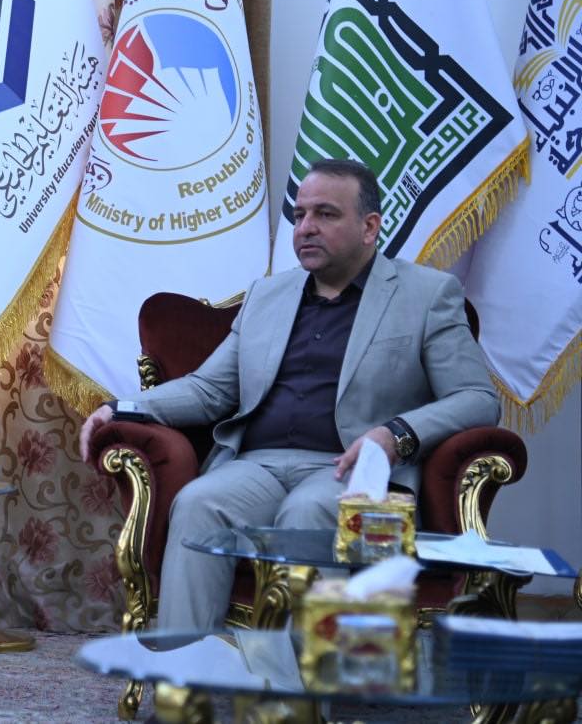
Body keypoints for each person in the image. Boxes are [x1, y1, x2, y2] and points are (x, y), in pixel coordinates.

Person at [78, 159, 499, 632]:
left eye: (325, 214)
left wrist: (395, 434)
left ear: (369, 227)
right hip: (257, 465)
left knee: (309, 510)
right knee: (198, 502)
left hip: (352, 470)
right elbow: (209, 389)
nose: (306, 228)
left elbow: (477, 398)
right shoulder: (267, 296)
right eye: (299, 215)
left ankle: (306, 677)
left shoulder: (426, 295)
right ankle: (186, 668)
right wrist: (121, 408)